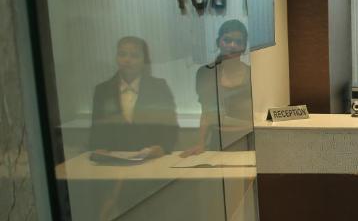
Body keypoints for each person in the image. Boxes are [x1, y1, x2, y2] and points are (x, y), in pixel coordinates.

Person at [89, 36, 178, 157]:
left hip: (152, 158)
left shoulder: (159, 87)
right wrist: (99, 149)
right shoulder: (102, 90)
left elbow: (170, 126)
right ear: (116, 58)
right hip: (112, 159)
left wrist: (162, 147)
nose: (127, 60)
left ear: (143, 60)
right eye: (122, 54)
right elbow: (97, 129)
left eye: (134, 55)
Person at [183, 19, 253, 155]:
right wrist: (200, 143)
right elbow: (206, 113)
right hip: (218, 140)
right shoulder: (205, 73)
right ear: (218, 42)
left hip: (248, 139)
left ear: (244, 47)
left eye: (238, 42)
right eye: (227, 40)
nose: (232, 45)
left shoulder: (253, 74)